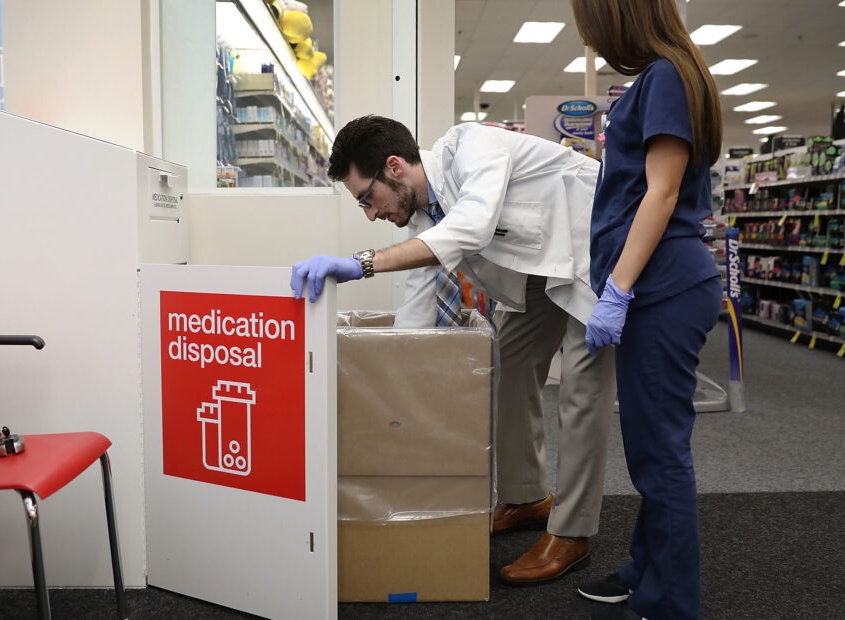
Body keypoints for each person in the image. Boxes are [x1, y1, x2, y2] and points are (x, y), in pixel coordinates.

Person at [290, 115, 617, 585]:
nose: (370, 214)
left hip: (593, 250)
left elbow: (472, 228)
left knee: (582, 390)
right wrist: (385, 397)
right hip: (538, 270)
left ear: (395, 168)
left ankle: (571, 532)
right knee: (510, 364)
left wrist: (363, 264)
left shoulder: (474, 148)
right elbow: (415, 318)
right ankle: (527, 498)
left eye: (367, 198)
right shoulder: (424, 216)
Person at [569, 1, 725, 619]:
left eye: (594, 28)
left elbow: (661, 191)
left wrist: (619, 289)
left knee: (660, 454)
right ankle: (646, 566)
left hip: (661, 288)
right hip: (656, 286)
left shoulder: (664, 77)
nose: (593, 42)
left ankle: (670, 603)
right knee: (650, 446)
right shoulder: (667, 75)